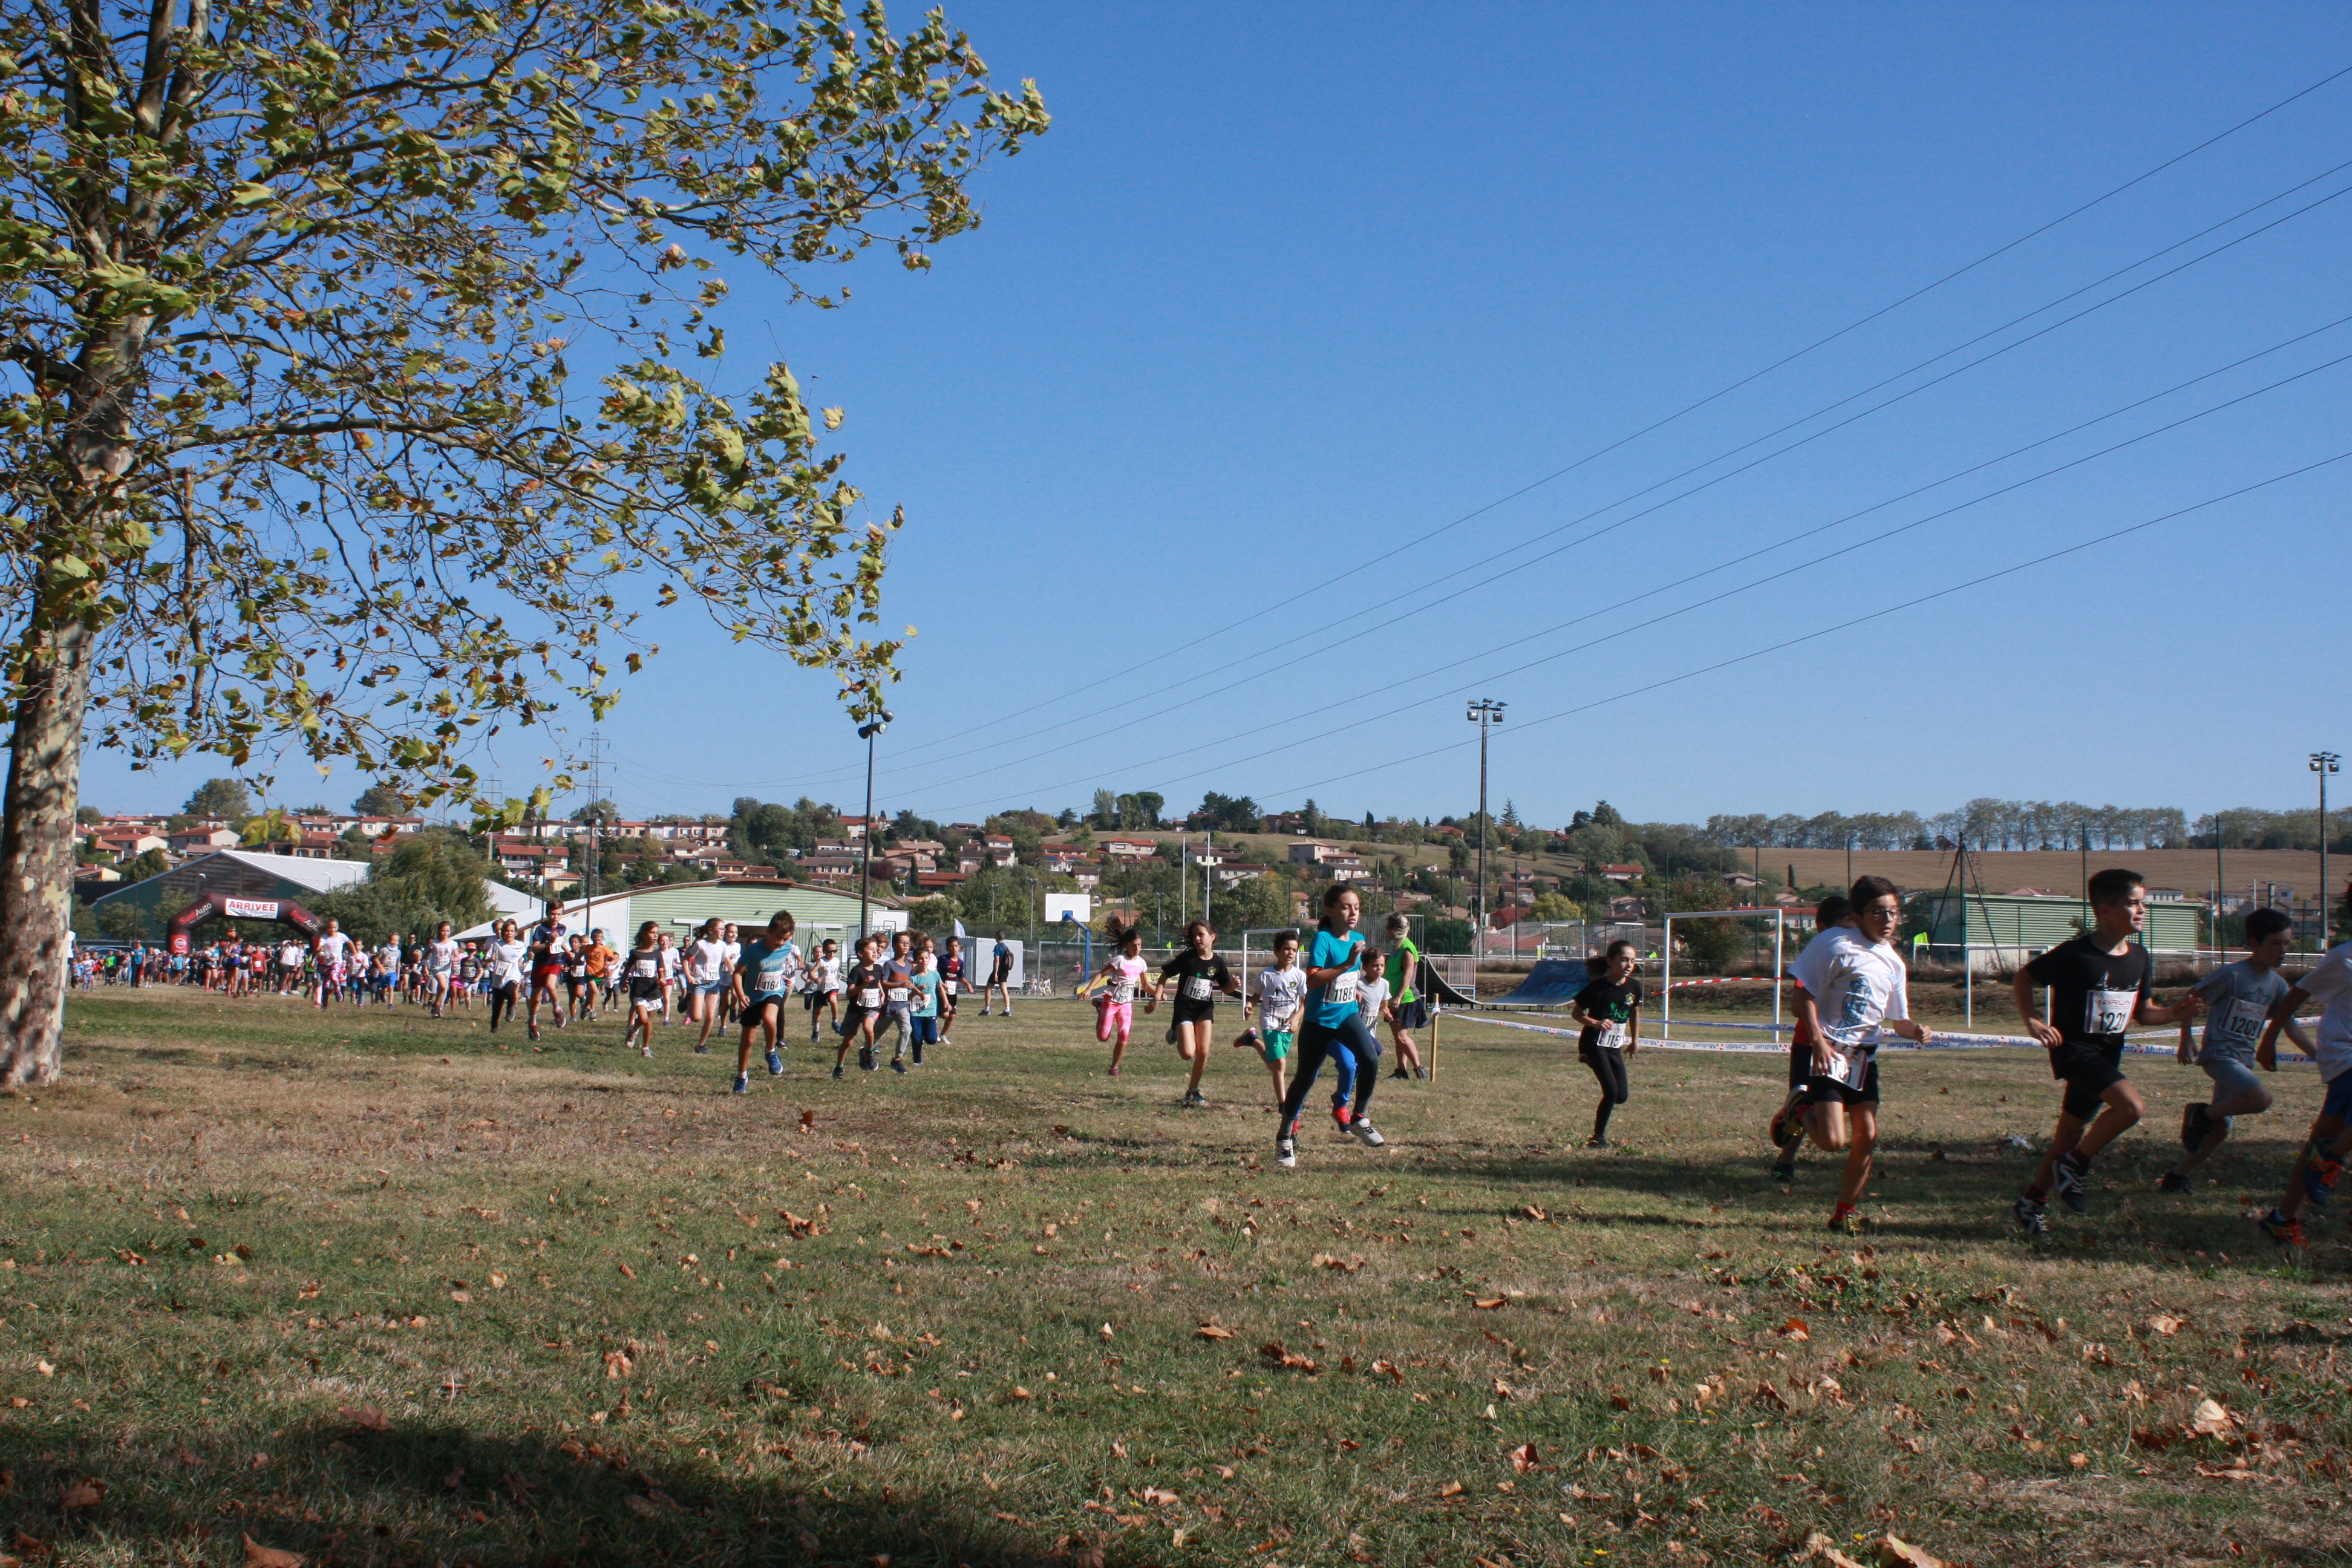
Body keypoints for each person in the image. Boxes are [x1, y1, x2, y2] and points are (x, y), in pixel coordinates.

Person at [2012, 868, 2201, 1235]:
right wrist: (2033, 1019)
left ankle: (2031, 1203)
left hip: (2107, 1055)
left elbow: (2145, 1014)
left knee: (2067, 1136)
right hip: (2075, 1053)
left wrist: (2174, 1014)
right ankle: (2076, 1165)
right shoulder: (2076, 954)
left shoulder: (2140, 957)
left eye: (2143, 903)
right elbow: (2024, 978)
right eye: (2133, 904)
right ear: (2104, 911)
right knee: (2131, 1108)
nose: (2143, 910)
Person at [1788, 877, 1933, 1233]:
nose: (1888, 920)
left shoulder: (1894, 963)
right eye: (1878, 913)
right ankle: (1800, 1109)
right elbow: (1800, 1000)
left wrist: (1915, 1030)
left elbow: (1898, 1021)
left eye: (1894, 913)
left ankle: (1844, 1214)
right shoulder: (1833, 943)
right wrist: (1820, 1043)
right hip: (1830, 1053)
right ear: (1859, 915)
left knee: (1867, 1136)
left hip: (1863, 1059)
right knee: (1833, 1141)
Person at [2164, 907, 2310, 1192]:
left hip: (2243, 1062)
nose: (2283, 950)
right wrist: (2187, 1039)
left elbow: (2290, 1025)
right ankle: (2201, 1115)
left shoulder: (2278, 985)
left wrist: (2319, 1055)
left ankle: (2177, 1177)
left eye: (2287, 943)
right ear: (2255, 945)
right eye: (2276, 943)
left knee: (2221, 1131)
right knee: (2261, 1099)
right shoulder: (2232, 975)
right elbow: (2191, 997)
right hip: (2219, 1056)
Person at [2253, 886, 2352, 1247]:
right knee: (2326, 1147)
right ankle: (2331, 1157)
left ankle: (2283, 1218)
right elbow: (2298, 993)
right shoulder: (2344, 959)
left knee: (2320, 1138)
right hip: (2345, 1054)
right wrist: (2269, 1039)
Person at [1275, 887, 1387, 1167]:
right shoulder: (1323, 940)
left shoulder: (1359, 939)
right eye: (1347, 907)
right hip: (1319, 1021)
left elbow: (1349, 979)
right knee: (1305, 1079)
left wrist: (1355, 989)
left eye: (1357, 908)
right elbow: (1312, 981)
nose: (1353, 913)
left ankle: (1360, 1117)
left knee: (1370, 1057)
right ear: (1330, 910)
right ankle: (1285, 1138)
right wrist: (1347, 964)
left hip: (1347, 1015)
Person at [1769, 895, 1852, 1182]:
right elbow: (1796, 1006)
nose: (1849, 932)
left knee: (1826, 1106)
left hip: (1845, 1047)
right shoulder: (1820, 955)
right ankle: (1786, 1160)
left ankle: (1788, 1153)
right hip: (1810, 1045)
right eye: (1843, 925)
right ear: (1822, 927)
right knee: (1809, 1105)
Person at [1154, 919, 1240, 1108]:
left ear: (1212, 937)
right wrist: (1156, 998)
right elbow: (1165, 975)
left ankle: (1192, 1090)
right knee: (1187, 1054)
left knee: (1204, 1051)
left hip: (1204, 1010)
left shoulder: (1218, 963)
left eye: (1201, 934)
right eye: (1195, 936)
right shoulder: (1187, 959)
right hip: (1184, 1010)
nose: (1197, 938)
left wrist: (1233, 986)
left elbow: (1226, 988)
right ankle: (1177, 1032)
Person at [1569, 940, 1643, 1149]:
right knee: (1610, 1091)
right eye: (1624, 960)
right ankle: (1598, 1137)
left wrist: (1635, 1040)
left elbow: (1634, 1012)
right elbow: (1577, 1014)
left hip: (1614, 1045)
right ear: (1611, 961)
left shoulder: (1634, 986)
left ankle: (1592, 1061)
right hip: (1594, 1042)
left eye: (1632, 961)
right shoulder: (1597, 988)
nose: (1629, 965)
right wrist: (1597, 1023)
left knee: (1621, 1096)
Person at [1235, 929, 1308, 1109]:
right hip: (1270, 1023)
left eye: (1294, 950)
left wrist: (1296, 1019)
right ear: (1276, 951)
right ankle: (1283, 1104)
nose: (1290, 953)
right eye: (1286, 949)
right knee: (1280, 1064)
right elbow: (1256, 995)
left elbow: (1305, 1003)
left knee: (1275, 1065)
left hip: (1288, 1026)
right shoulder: (1266, 975)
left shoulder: (1299, 976)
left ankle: (1252, 1040)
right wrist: (1250, 1005)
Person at [731, 912, 800, 1091]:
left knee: (770, 1019)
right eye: (778, 937)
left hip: (774, 992)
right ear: (768, 932)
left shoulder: (787, 948)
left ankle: (771, 1052)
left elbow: (778, 967)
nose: (781, 942)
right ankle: (741, 1076)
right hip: (752, 998)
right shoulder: (754, 950)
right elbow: (737, 974)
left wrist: (781, 977)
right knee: (748, 1040)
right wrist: (740, 995)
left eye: (785, 939)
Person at [1094, 922, 1149, 1077]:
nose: (1137, 949)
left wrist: (1160, 994)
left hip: (1126, 1004)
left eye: (1139, 945)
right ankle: (1099, 1008)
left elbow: (1145, 986)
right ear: (1126, 946)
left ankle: (1114, 1067)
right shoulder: (1120, 960)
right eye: (1134, 946)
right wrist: (1088, 990)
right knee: (1103, 1037)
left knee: (1124, 1033)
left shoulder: (1141, 963)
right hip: (1111, 1001)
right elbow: (1101, 974)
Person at [1381, 913, 1429, 1079]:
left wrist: (1399, 997)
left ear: (1395, 929)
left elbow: (1408, 975)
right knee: (1398, 1037)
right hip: (1394, 997)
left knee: (1402, 1037)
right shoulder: (1397, 948)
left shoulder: (1407, 948)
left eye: (1388, 928)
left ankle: (1420, 1069)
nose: (1387, 932)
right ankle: (1401, 1071)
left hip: (1405, 999)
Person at [835, 932, 886, 1077]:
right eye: (871, 949)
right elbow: (850, 993)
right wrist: (863, 985)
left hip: (872, 1007)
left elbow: (878, 982)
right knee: (848, 1042)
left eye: (876, 949)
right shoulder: (857, 971)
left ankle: (869, 1052)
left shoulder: (878, 969)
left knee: (868, 1026)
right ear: (860, 954)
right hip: (855, 1010)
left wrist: (882, 992)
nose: (875, 951)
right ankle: (839, 1067)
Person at [619, 922, 667, 1059]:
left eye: (657, 933)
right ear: (643, 934)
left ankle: (646, 1048)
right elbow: (627, 970)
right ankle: (633, 1030)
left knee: (649, 1021)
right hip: (639, 991)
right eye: (652, 933)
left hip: (652, 991)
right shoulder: (635, 953)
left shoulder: (657, 954)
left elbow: (661, 970)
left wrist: (662, 979)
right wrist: (624, 983)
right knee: (644, 1018)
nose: (655, 936)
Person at [685, 918, 732, 1054]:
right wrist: (689, 975)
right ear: (711, 931)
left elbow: (727, 961)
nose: (724, 932)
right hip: (700, 984)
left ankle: (701, 1044)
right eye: (721, 929)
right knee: (696, 1018)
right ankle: (688, 1001)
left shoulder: (723, 945)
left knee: (711, 1016)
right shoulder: (700, 945)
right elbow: (686, 959)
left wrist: (735, 973)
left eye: (724, 929)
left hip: (714, 984)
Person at [524, 909, 570, 1040]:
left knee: (551, 986)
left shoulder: (562, 928)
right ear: (547, 913)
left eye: (559, 914)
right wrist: (549, 942)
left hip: (554, 963)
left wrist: (567, 951)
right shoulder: (541, 930)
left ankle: (557, 1010)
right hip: (540, 965)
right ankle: (532, 1023)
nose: (556, 917)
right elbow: (535, 948)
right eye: (553, 914)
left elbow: (561, 942)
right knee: (536, 999)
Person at [485, 919, 529, 1033]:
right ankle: (494, 1025)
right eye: (506, 931)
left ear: (516, 933)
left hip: (513, 973)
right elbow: (486, 959)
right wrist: (491, 959)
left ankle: (511, 1008)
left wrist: (524, 961)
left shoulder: (520, 945)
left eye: (511, 931)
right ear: (503, 932)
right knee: (498, 1002)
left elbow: (525, 955)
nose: (509, 933)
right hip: (499, 975)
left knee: (511, 990)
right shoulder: (497, 945)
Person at [908, 934, 942, 1068]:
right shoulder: (913, 978)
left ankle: (927, 1036)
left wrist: (945, 1003)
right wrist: (916, 990)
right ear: (916, 961)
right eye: (921, 959)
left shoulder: (934, 975)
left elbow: (940, 989)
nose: (924, 961)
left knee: (932, 1040)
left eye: (926, 958)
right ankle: (917, 1059)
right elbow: (908, 997)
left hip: (930, 1011)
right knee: (916, 1039)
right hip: (916, 1013)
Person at [806, 938, 843, 1041]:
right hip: (821, 988)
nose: (832, 954)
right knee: (818, 1011)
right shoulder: (821, 961)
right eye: (829, 951)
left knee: (833, 1000)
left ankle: (835, 1021)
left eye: (834, 951)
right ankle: (816, 1031)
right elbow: (812, 973)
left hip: (833, 986)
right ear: (824, 951)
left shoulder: (837, 961)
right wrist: (815, 979)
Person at [313, 920, 353, 1010]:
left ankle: (338, 990)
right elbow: (319, 947)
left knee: (334, 977)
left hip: (338, 961)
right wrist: (319, 951)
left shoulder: (341, 936)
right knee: (326, 985)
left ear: (338, 928)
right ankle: (325, 1005)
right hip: (327, 963)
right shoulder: (324, 937)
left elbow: (350, 942)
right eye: (330, 928)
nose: (332, 930)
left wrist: (355, 952)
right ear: (327, 928)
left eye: (334, 928)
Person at [424, 921, 460, 1019]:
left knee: (444, 990)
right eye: (443, 931)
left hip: (447, 969)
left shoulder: (453, 944)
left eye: (447, 931)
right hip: (436, 968)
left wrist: (455, 959)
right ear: (439, 931)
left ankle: (438, 1010)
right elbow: (427, 954)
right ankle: (436, 1004)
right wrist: (424, 964)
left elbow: (457, 956)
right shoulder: (434, 943)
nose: (445, 933)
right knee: (443, 986)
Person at [938, 936, 965, 1046]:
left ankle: (943, 1035)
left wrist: (968, 985)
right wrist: (940, 982)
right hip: (941, 990)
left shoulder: (960, 962)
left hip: (952, 992)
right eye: (951, 946)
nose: (954, 948)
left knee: (952, 1016)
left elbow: (960, 977)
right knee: (945, 1015)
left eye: (956, 946)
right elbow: (936, 973)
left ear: (959, 947)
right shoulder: (943, 960)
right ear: (947, 948)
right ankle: (932, 1025)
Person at [983, 931, 1015, 1017]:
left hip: (999, 971)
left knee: (988, 988)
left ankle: (987, 1009)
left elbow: (997, 960)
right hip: (1005, 971)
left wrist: (995, 973)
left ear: (997, 937)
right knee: (1004, 990)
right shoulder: (1006, 947)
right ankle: (1007, 1009)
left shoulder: (998, 947)